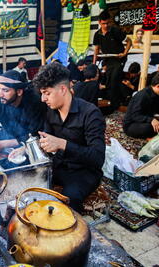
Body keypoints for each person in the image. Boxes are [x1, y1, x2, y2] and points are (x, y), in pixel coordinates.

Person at [32, 62, 106, 212]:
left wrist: (63, 144)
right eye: (42, 93)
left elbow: (98, 158)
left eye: (47, 93)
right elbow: (46, 140)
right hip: (59, 166)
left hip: (84, 172)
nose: (43, 99)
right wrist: (29, 148)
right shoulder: (51, 111)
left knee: (66, 203)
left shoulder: (91, 114)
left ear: (63, 89)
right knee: (28, 186)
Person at [93, 10, 132, 109]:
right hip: (107, 59)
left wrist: (124, 53)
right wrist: (94, 64)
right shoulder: (97, 35)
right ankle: (113, 100)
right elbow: (96, 49)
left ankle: (115, 103)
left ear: (110, 22)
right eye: (103, 23)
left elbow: (129, 42)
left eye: (107, 23)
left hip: (119, 59)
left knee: (115, 77)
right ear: (99, 22)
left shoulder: (115, 31)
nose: (106, 25)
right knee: (109, 80)